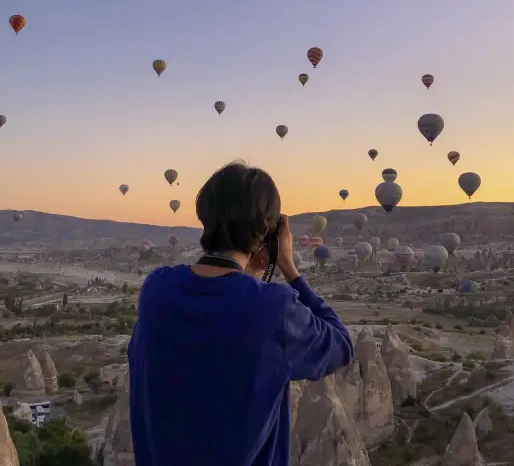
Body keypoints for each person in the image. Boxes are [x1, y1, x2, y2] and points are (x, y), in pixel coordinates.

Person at [128, 161, 355, 466]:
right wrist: (288, 268)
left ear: (204, 214)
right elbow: (342, 346)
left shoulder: (156, 288)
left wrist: (251, 277)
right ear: (269, 232)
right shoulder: (275, 308)